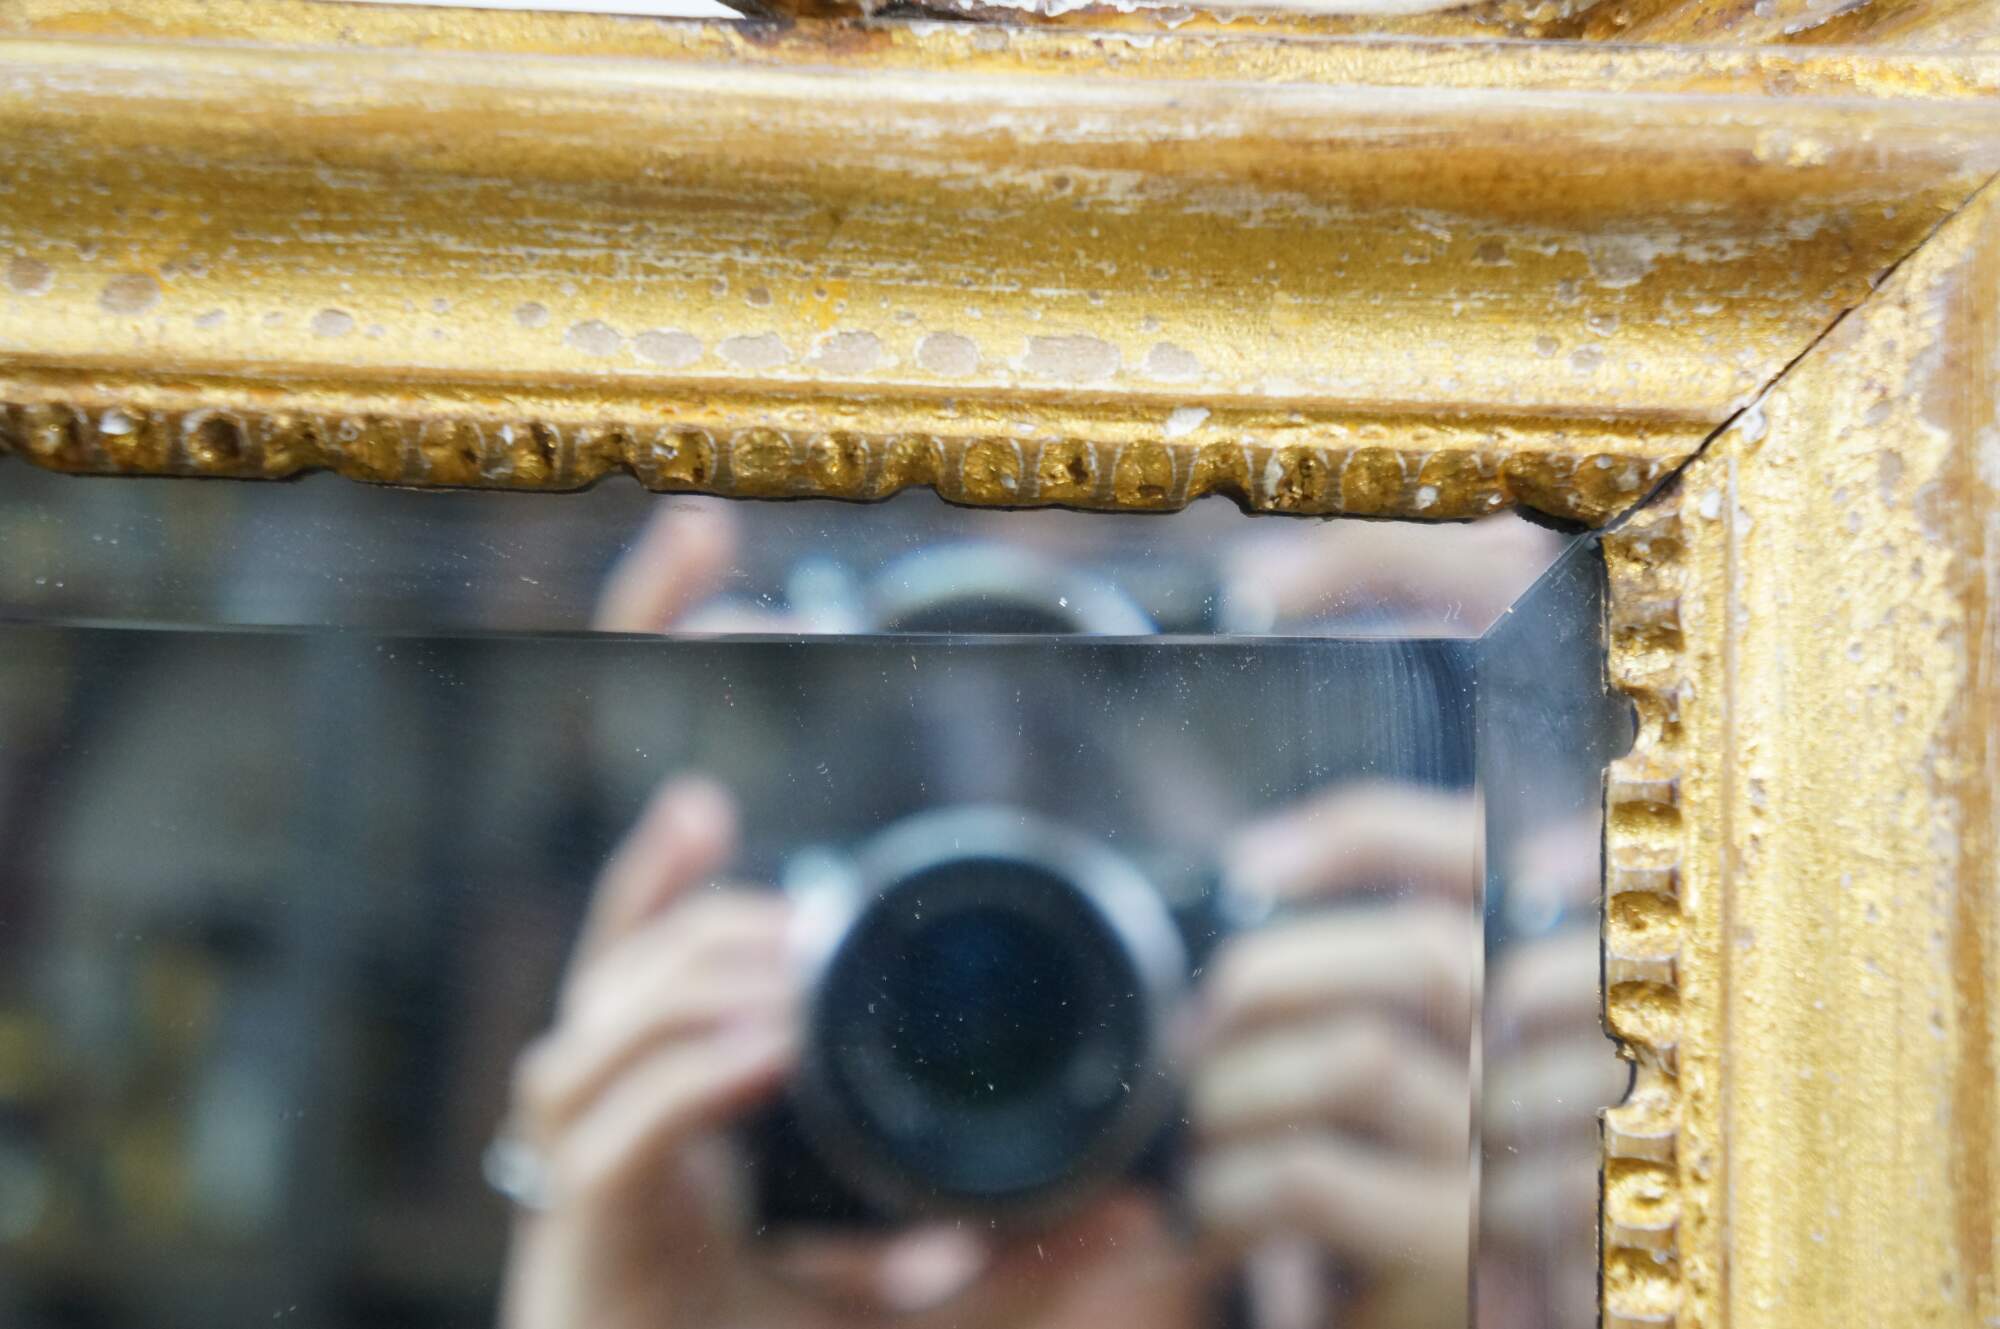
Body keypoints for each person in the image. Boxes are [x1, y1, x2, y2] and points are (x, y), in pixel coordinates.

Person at [496, 499, 1619, 1329]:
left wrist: (1557, 1283)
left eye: (1073, 1005)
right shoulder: (676, 1280)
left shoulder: (1420, 1246)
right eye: (878, 1022)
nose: (964, 1220)